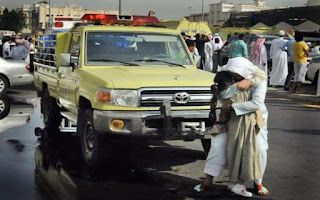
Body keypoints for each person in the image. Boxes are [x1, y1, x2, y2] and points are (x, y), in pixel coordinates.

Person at [195, 58, 268, 197]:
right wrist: (237, 86)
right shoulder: (227, 74)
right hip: (227, 118)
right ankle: (208, 180)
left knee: (259, 148)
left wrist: (233, 106)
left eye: (237, 75)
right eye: (233, 75)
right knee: (217, 146)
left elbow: (256, 103)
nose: (234, 77)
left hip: (253, 118)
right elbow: (223, 94)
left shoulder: (259, 79)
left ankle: (258, 182)